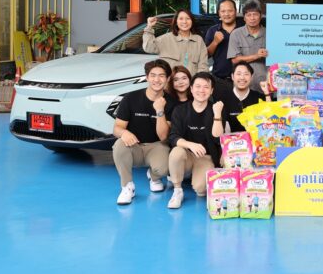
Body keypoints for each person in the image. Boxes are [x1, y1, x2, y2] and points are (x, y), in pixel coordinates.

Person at [112, 59, 177, 205]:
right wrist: (124, 133)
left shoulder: (172, 103)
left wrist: (160, 110)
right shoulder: (131, 98)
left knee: (165, 168)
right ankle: (127, 187)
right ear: (147, 77)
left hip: (157, 146)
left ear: (167, 79)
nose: (156, 80)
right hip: (134, 146)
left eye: (161, 76)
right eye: (153, 75)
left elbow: (163, 136)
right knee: (119, 145)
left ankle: (154, 177)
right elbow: (117, 128)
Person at [166, 72, 224, 209]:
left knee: (201, 189)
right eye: (198, 86)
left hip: (206, 157)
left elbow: (218, 137)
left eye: (206, 87)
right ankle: (177, 190)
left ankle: (194, 176)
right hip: (187, 155)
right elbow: (173, 137)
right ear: (191, 89)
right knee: (176, 152)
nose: (201, 90)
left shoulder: (216, 109)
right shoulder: (180, 110)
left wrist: (217, 115)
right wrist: (190, 145)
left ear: (211, 91)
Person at [143, 9, 209, 75]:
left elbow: (203, 66)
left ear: (192, 21)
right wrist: (149, 27)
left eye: (188, 18)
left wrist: (199, 80)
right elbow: (148, 47)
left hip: (192, 81)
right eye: (181, 19)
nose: (184, 22)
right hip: (170, 81)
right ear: (176, 22)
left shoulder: (198, 40)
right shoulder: (166, 38)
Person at [215, 61, 272, 132]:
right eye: (238, 74)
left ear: (251, 77)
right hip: (231, 138)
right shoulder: (223, 99)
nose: (242, 77)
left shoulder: (259, 97)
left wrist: (267, 93)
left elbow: (270, 117)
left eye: (246, 74)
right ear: (232, 76)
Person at [227, 0, 268, 93]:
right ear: (244, 17)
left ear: (260, 16)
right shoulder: (236, 34)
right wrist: (257, 56)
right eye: (249, 15)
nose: (252, 18)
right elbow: (235, 60)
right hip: (243, 86)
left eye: (255, 14)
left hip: (265, 86)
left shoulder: (270, 33)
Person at [205, 0, 243, 80]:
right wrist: (215, 42)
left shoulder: (244, 29)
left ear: (236, 11)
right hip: (219, 78)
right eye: (223, 11)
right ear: (219, 13)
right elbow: (206, 55)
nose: (226, 14)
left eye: (230, 11)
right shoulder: (212, 30)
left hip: (242, 78)